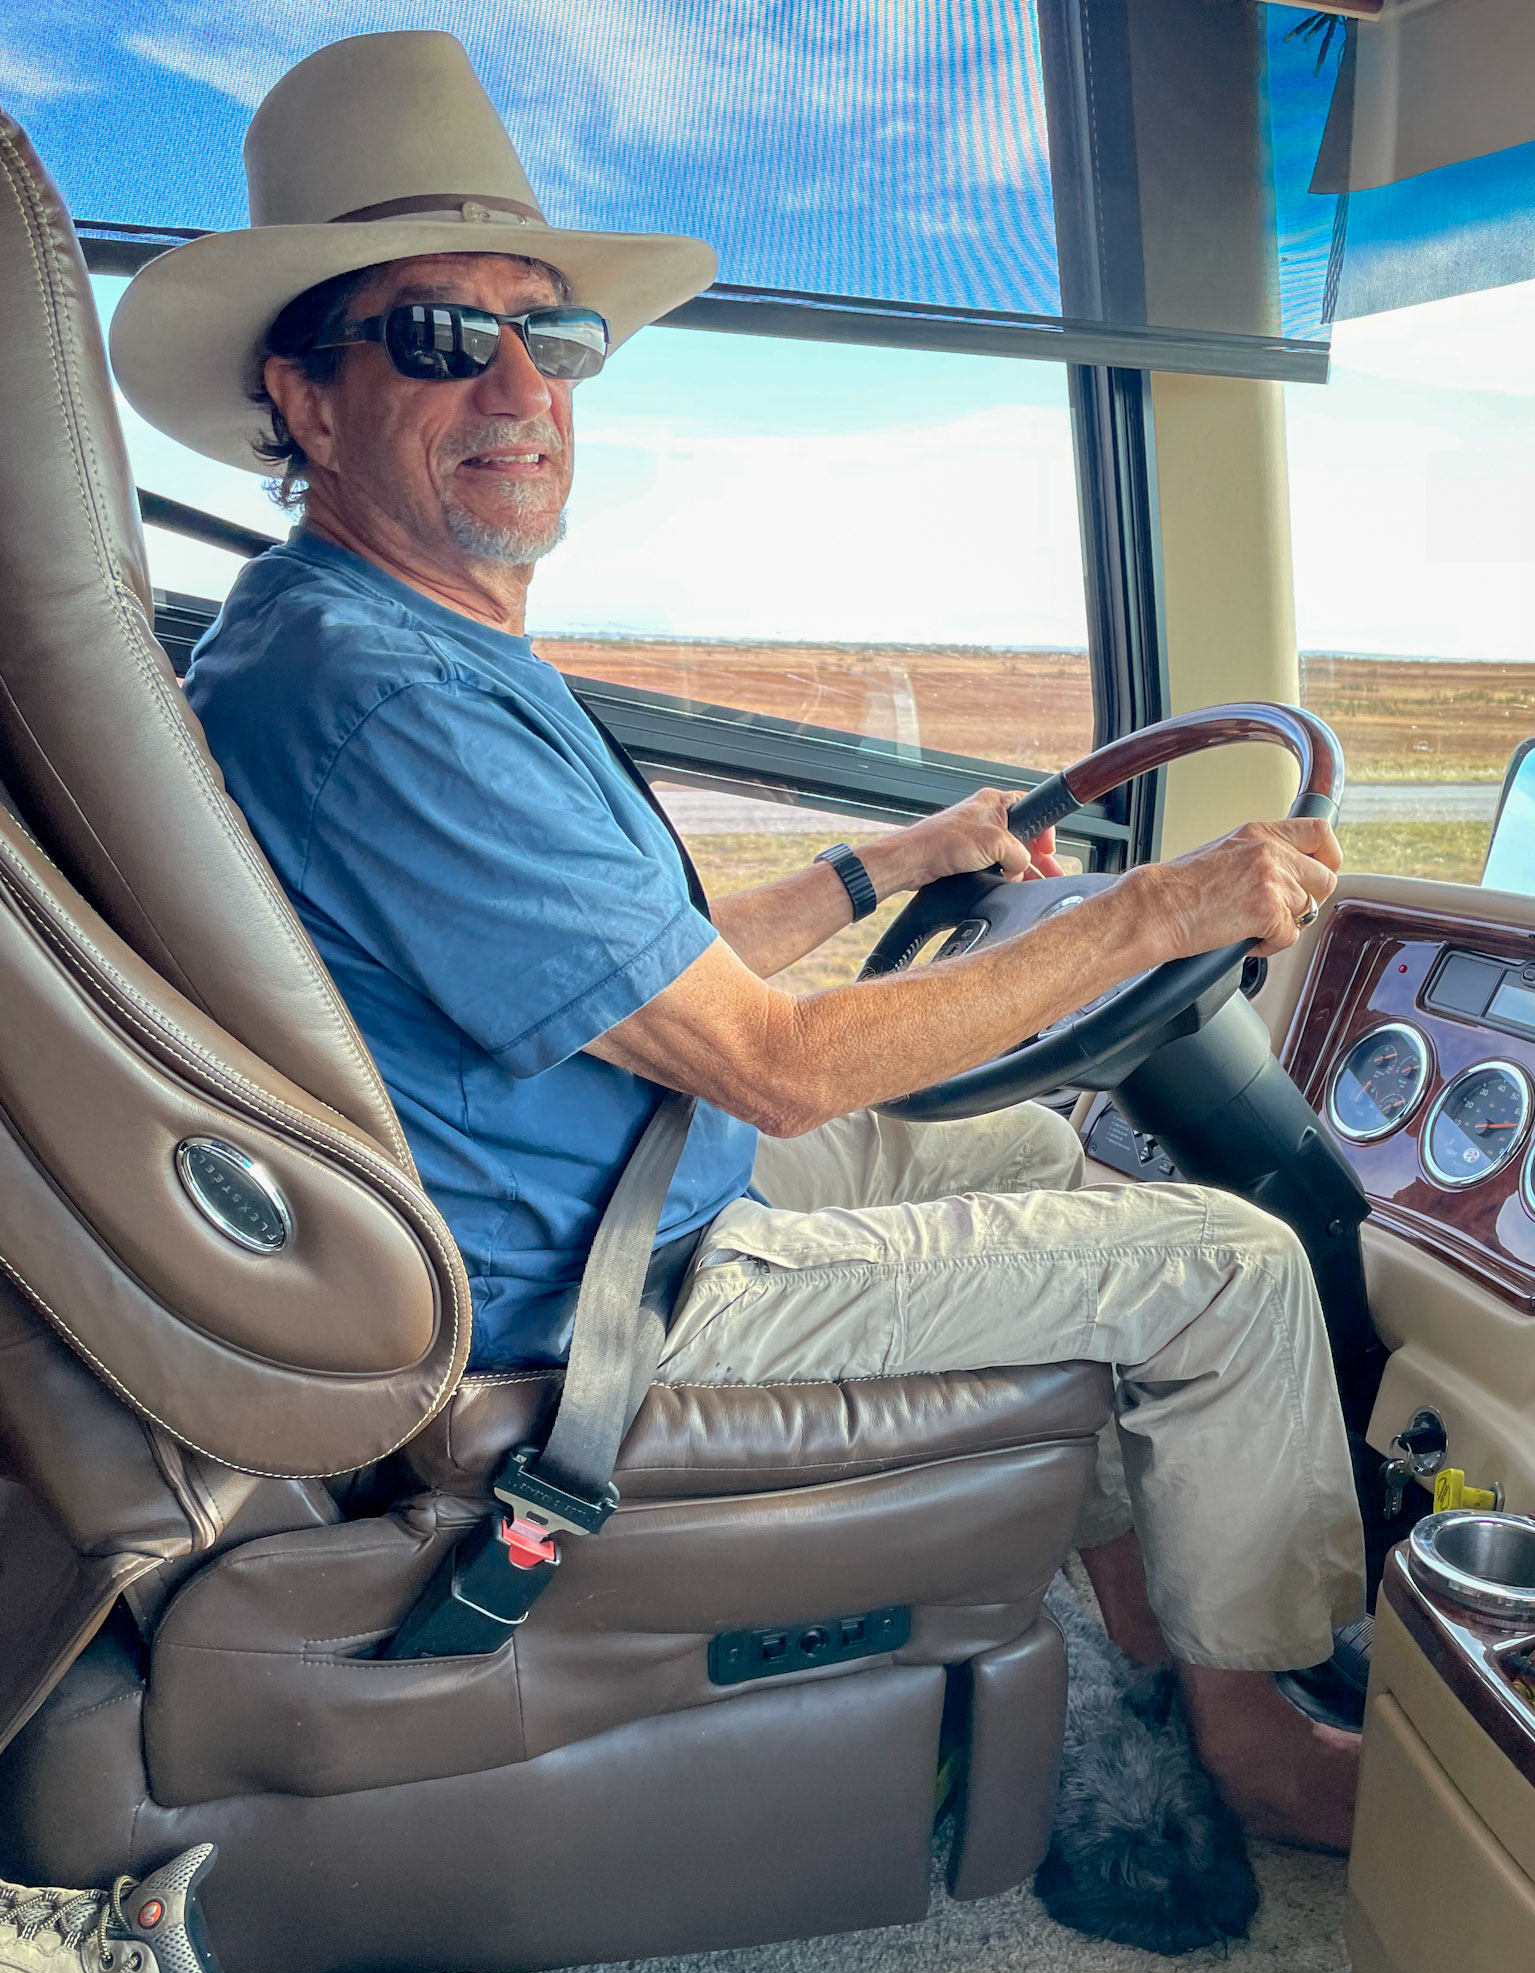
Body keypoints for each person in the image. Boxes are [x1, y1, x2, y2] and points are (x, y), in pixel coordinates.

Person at [114, 31, 1365, 1851]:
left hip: (617, 1177)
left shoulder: (366, 638)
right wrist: (1159, 914)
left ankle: (1143, 1637)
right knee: (1228, 1261)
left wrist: (895, 868)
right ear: (302, 401)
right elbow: (770, 1063)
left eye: (552, 335)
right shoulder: (383, 698)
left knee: (1023, 1140)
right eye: (440, 340)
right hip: (607, 1294)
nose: (520, 386)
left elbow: (649, 966)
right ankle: (1258, 1739)